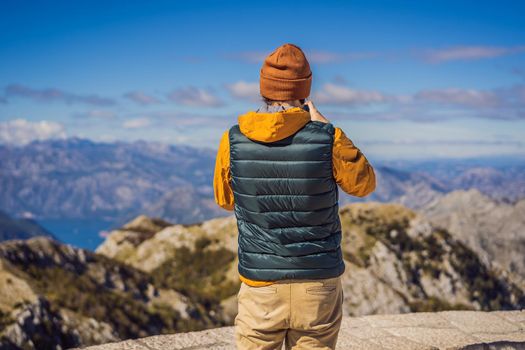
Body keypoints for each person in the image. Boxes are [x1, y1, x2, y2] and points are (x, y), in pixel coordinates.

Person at [213, 43, 376, 349]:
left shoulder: (233, 139)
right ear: (304, 91)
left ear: (264, 90)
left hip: (262, 287)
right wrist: (328, 129)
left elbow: (225, 200)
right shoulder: (328, 138)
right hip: (317, 284)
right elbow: (364, 185)